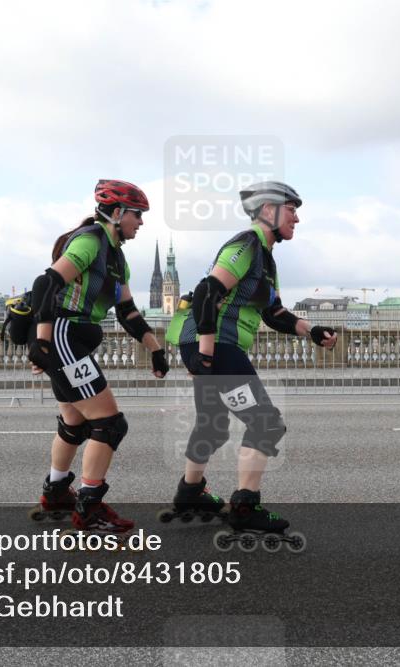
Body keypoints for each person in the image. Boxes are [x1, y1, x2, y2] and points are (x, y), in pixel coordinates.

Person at [165, 181, 337, 538]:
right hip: (216, 343)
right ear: (268, 210)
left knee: (212, 424)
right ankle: (245, 506)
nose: (297, 218)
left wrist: (312, 330)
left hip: (206, 343)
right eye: (292, 209)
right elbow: (207, 292)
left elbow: (273, 313)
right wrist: (208, 353)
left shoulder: (266, 259)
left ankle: (190, 493)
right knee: (265, 423)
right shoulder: (246, 245)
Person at [28, 179, 169, 533]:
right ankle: (89, 509)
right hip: (63, 336)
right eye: (138, 215)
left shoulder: (117, 258)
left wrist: (155, 350)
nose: (141, 223)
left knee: (74, 424)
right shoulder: (90, 240)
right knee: (109, 423)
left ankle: (57, 491)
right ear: (118, 213)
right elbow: (47, 284)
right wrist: (43, 342)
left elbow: (128, 312)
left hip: (69, 340)